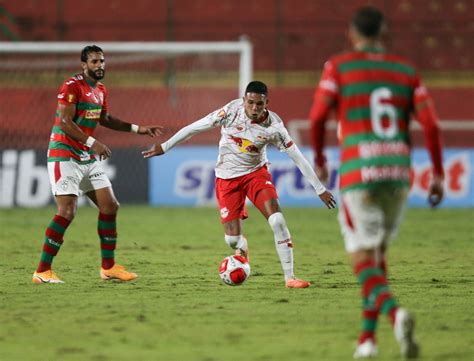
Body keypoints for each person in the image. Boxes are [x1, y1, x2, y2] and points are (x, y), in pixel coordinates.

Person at [308, 6, 444, 359]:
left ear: (352, 34)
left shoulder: (339, 67)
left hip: (360, 173)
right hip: (398, 174)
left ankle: (395, 314)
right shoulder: (406, 70)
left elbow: (318, 116)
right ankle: (368, 340)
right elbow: (430, 125)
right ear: (383, 32)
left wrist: (321, 161)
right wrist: (439, 173)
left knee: (359, 255)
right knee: (377, 255)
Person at [143, 80, 336, 288]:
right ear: (244, 100)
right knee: (232, 241)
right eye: (250, 102)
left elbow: (298, 157)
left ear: (266, 103)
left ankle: (289, 277)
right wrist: (165, 146)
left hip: (256, 174)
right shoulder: (231, 111)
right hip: (227, 179)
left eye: (259, 104)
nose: (254, 108)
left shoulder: (275, 127)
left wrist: (320, 189)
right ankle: (242, 246)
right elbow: (196, 127)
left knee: (278, 221)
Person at [32, 45, 163, 284]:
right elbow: (64, 121)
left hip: (86, 157)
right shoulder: (72, 86)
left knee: (110, 206)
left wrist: (138, 129)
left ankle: (108, 267)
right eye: (94, 62)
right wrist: (94, 143)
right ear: (84, 65)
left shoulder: (100, 89)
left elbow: (106, 119)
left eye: (102, 61)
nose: (99, 65)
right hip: (65, 155)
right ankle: (42, 271)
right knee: (67, 211)